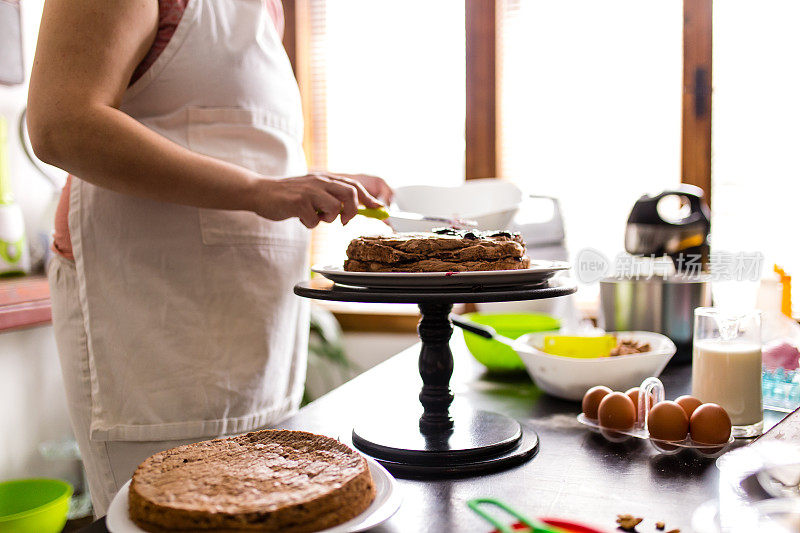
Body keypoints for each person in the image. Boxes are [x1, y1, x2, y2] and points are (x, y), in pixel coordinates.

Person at [26, 0, 392, 515]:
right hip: (159, 325)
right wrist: (259, 188)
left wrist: (317, 187)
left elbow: (222, 141)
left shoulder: (264, 10)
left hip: (253, 341)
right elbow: (61, 124)